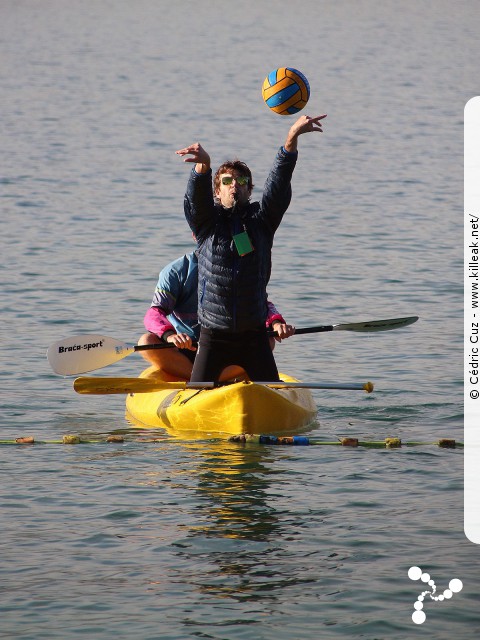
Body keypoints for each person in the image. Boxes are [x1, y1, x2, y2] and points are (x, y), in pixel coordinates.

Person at [175, 114, 326, 383]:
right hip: (213, 335)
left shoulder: (262, 221)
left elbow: (278, 187)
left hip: (254, 335)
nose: (235, 186)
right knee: (195, 395)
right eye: (227, 182)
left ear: (249, 189)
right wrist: (203, 168)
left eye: (242, 182)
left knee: (272, 395)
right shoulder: (206, 225)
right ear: (217, 192)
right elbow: (195, 203)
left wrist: (291, 140)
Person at [138, 249, 295, 382]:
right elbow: (154, 313)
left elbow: (260, 305)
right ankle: (205, 379)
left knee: (267, 338)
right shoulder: (175, 271)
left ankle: (212, 379)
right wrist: (170, 336)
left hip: (229, 348)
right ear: (196, 235)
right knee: (146, 341)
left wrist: (276, 324)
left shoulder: (242, 267)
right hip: (188, 349)